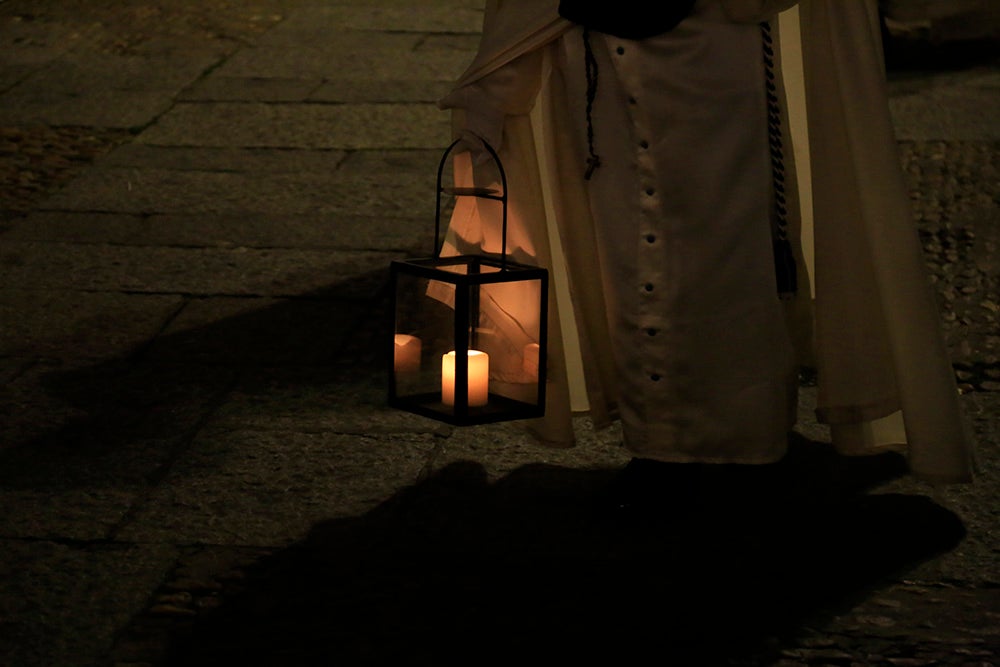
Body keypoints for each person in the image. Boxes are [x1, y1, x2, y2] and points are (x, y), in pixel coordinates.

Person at [437, 0, 975, 507]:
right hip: (599, 49)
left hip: (706, 46)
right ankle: (662, 440)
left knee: (721, 244)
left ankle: (742, 436)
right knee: (624, 245)